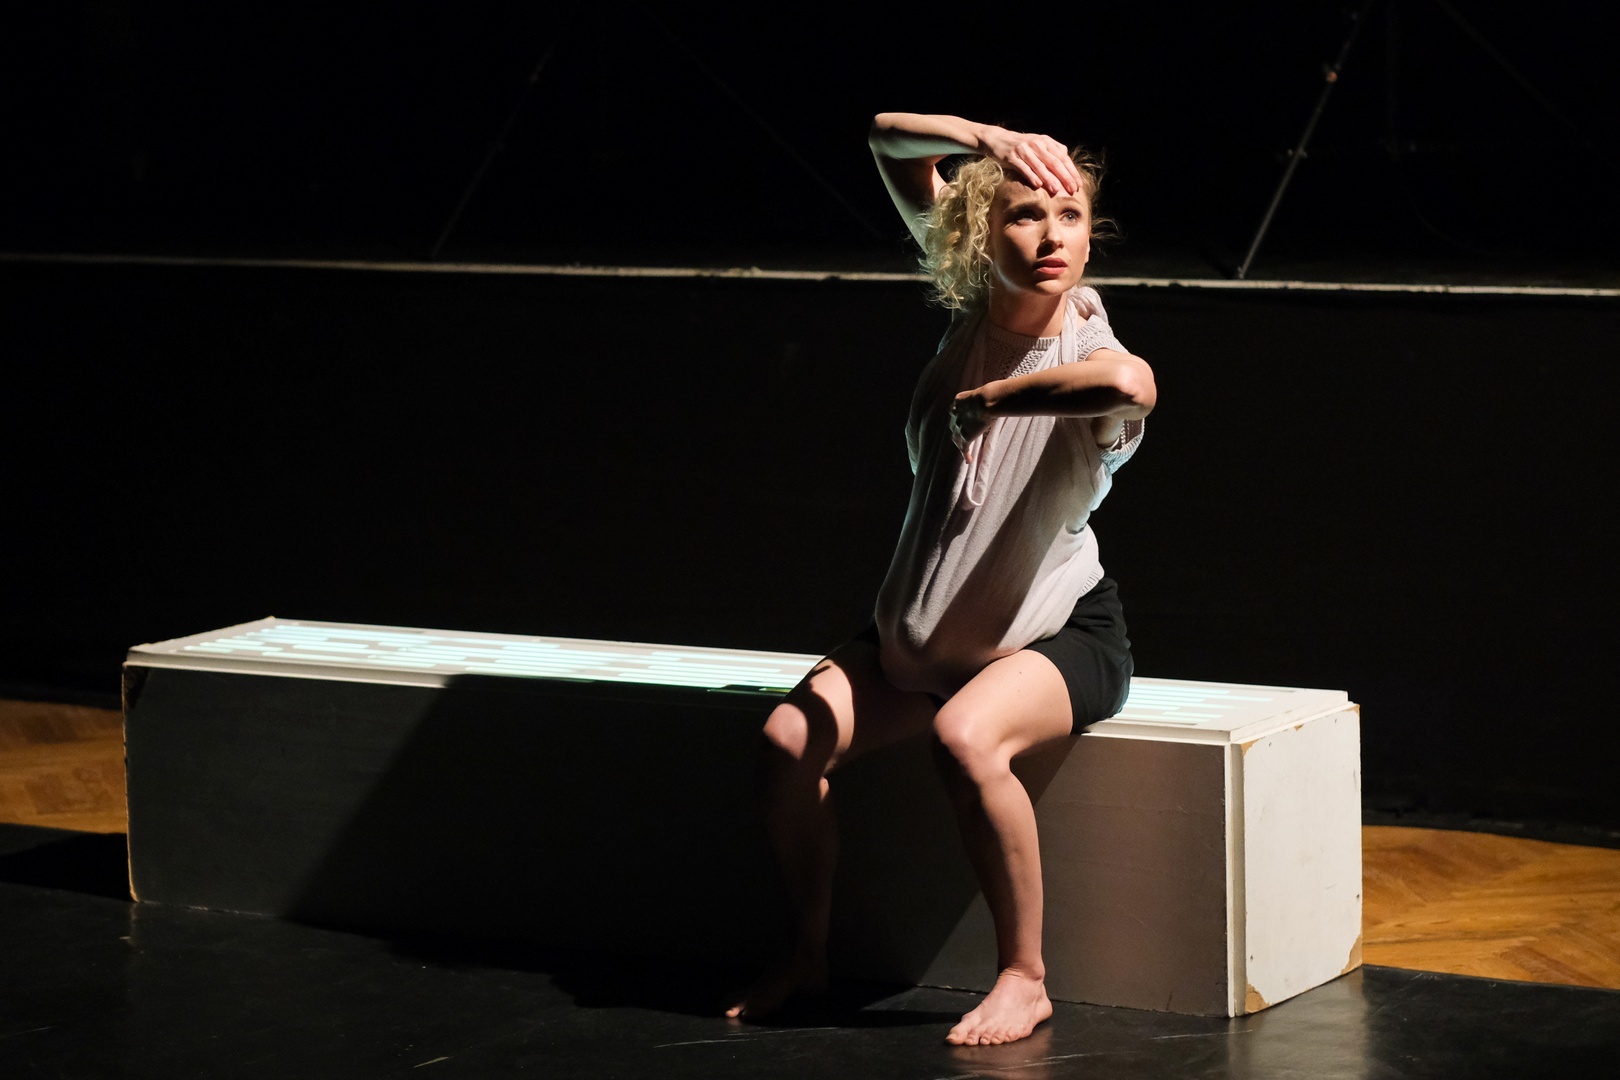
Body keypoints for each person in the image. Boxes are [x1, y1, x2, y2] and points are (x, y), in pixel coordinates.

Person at [724, 112, 1157, 1046]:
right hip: (922, 638)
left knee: (966, 739)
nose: (1050, 237)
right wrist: (987, 137)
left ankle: (1025, 977)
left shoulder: (1086, 344)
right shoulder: (976, 315)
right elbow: (887, 137)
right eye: (1024, 215)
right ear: (978, 237)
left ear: (1091, 239)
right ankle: (807, 951)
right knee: (785, 743)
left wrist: (998, 400)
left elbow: (1132, 389)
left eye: (1071, 218)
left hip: (1060, 636)